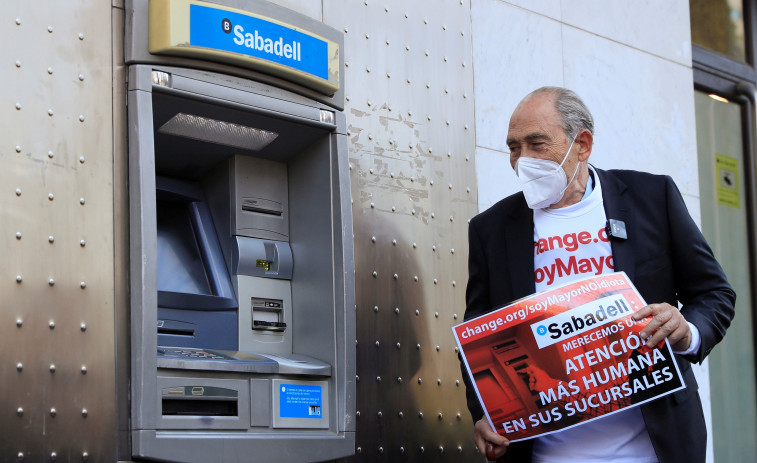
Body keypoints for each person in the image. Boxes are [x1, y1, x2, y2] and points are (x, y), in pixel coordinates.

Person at [462, 87, 735, 462]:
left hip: (655, 448)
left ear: (583, 144)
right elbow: (478, 335)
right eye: (513, 147)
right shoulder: (491, 229)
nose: (522, 160)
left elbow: (714, 293)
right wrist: (484, 413)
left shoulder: (651, 197)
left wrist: (686, 330)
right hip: (545, 453)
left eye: (536, 144)